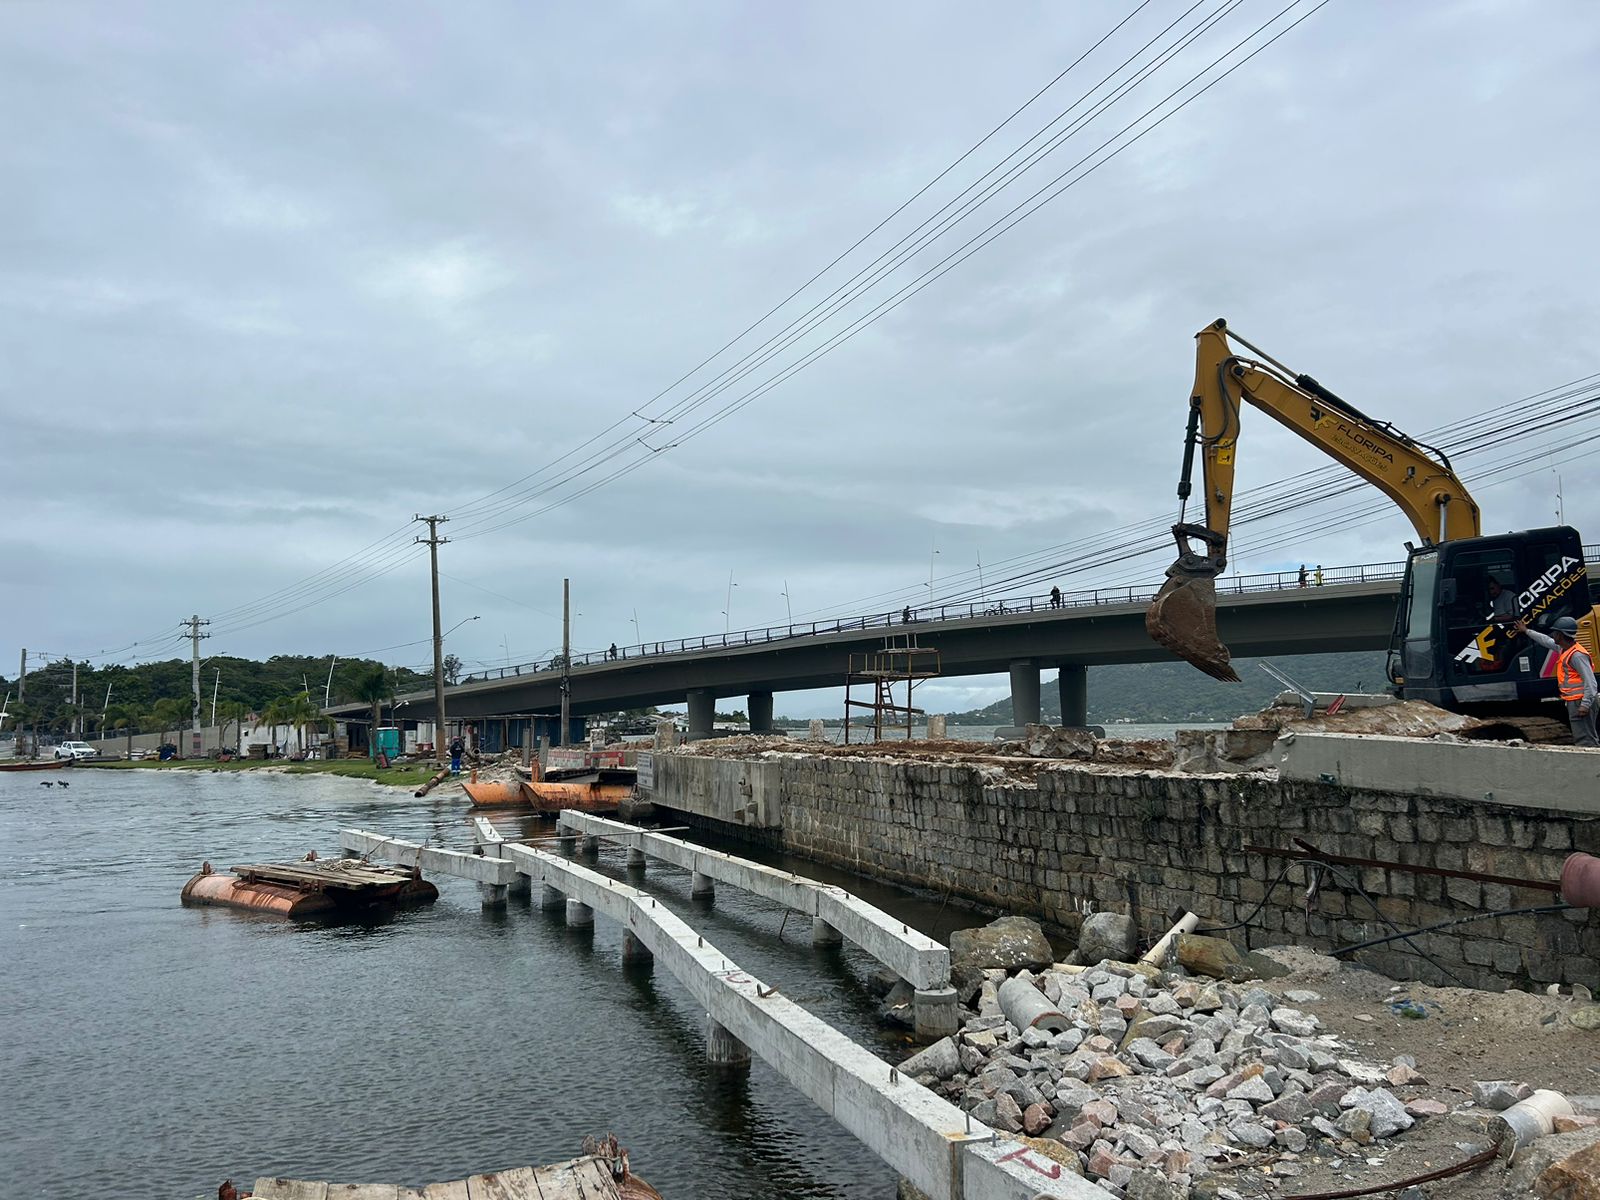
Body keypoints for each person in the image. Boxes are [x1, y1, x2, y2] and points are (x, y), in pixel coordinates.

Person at [1513, 615, 1597, 746]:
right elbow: (1545, 640)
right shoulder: (1564, 648)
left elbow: (1591, 682)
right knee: (1584, 737)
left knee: (1586, 740)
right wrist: (1526, 630)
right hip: (1575, 700)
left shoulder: (1577, 655)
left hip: (1580, 700)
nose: (1553, 635)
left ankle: (1591, 764)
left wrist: (1585, 705)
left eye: (1555, 633)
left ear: (1560, 635)